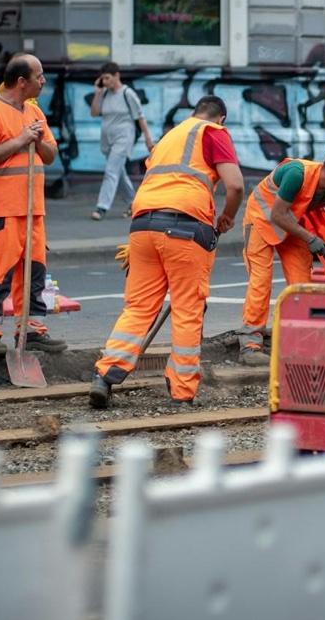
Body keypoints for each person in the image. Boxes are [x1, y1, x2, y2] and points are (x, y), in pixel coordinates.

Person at [90, 95, 244, 407]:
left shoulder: (168, 137)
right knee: (187, 309)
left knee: (138, 307)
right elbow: (236, 185)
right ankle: (182, 392)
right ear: (221, 118)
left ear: (193, 113)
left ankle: (104, 376)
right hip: (186, 228)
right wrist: (227, 215)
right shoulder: (213, 132)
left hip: (143, 224)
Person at [0, 54, 68, 357]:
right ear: (22, 81)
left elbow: (50, 155)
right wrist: (21, 139)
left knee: (34, 273)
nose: (44, 81)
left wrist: (36, 141)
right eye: (39, 76)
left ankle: (32, 330)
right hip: (1, 209)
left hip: (33, 210)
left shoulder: (34, 112)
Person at [236, 145, 325, 366]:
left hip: (293, 223)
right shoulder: (297, 173)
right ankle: (250, 345)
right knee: (261, 280)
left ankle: (298, 340)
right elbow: (277, 214)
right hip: (261, 218)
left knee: (302, 285)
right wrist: (310, 238)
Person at [90, 63, 156, 221]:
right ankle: (134, 203)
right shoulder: (104, 94)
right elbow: (94, 113)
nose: (105, 82)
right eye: (103, 79)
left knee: (111, 171)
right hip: (107, 139)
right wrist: (98, 93)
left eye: (107, 78)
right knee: (118, 171)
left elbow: (140, 117)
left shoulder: (128, 94)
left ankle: (101, 207)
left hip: (124, 137)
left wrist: (148, 139)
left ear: (117, 76)